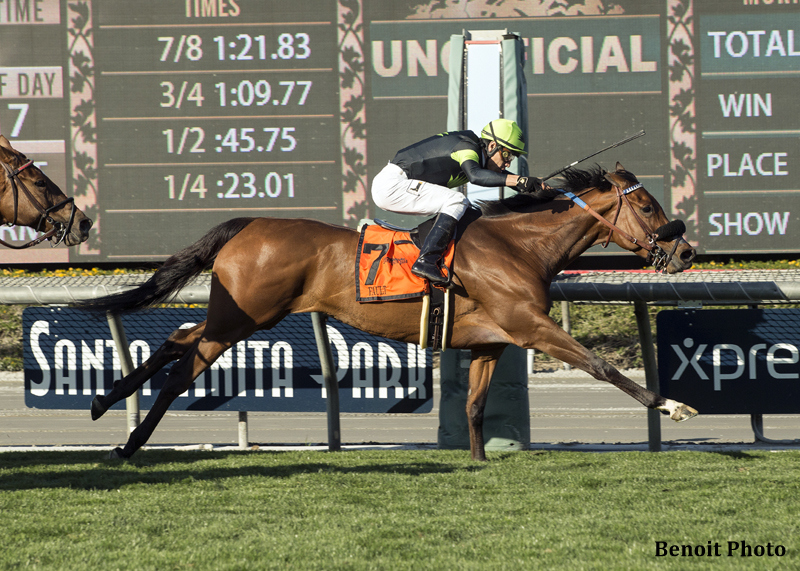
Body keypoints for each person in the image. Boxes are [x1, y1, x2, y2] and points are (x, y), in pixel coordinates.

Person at [371, 118, 542, 286]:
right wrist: (519, 181)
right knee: (457, 201)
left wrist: (531, 186)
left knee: (461, 209)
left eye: (512, 157)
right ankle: (426, 261)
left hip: (397, 184)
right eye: (506, 154)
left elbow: (494, 175)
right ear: (491, 146)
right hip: (391, 185)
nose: (507, 162)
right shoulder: (466, 147)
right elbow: (476, 176)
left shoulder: (473, 148)